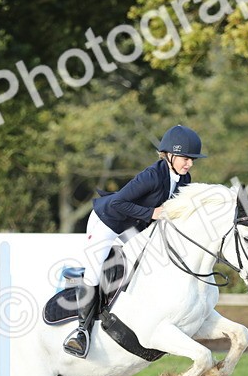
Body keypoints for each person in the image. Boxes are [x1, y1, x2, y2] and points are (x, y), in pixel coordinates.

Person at [62, 124, 206, 358]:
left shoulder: (184, 178)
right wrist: (153, 214)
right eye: (185, 158)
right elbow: (118, 203)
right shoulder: (151, 176)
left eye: (192, 160)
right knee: (94, 271)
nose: (189, 164)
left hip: (132, 225)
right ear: (169, 155)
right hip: (107, 221)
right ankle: (81, 332)